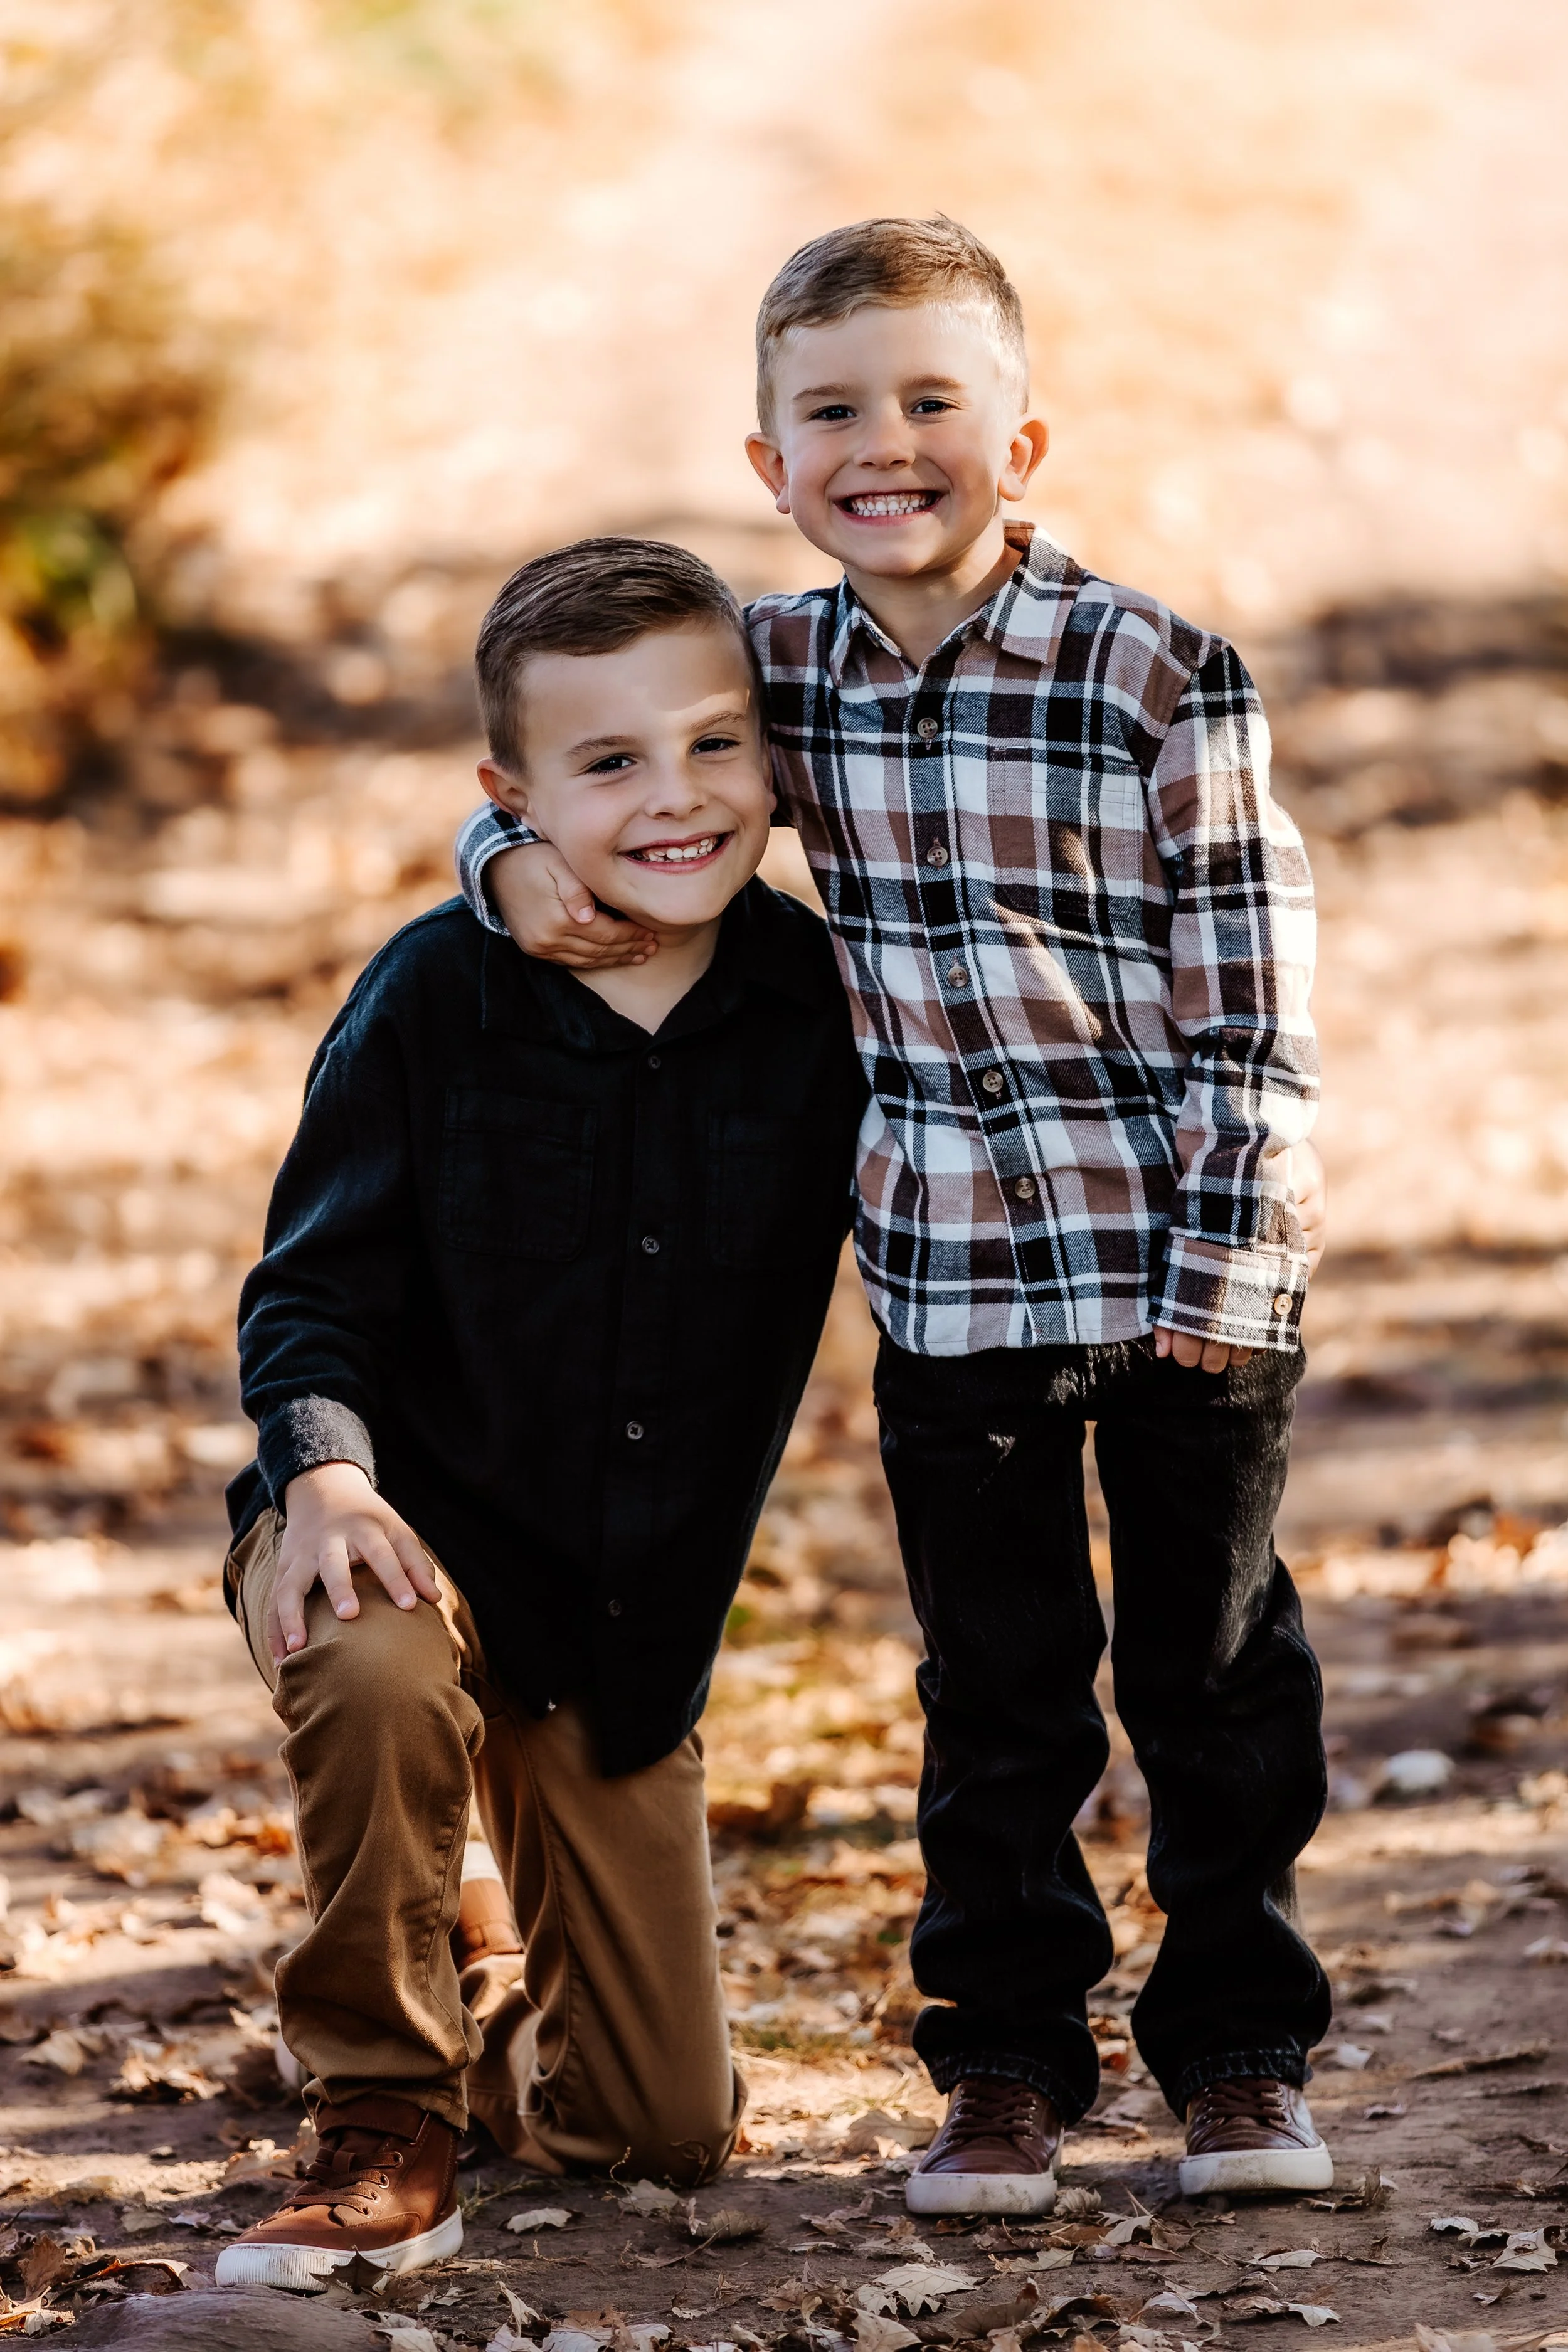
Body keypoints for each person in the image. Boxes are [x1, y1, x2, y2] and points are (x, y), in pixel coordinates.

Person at [456, 216, 1335, 2214]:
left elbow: (1256, 1004)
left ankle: (1238, 2054)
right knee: (996, 1685)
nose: (886, 444)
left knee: (1209, 1671)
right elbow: (580, 755)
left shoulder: (1155, 671)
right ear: (768, 467)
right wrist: (503, 860)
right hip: (948, 1278)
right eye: (832, 412)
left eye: (934, 401)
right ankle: (1008, 2067)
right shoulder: (766, 671)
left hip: (1181, 1264)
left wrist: (1234, 1264)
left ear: (1020, 442)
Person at [215, 539, 867, 2290]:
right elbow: (306, 1291)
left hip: (620, 1606)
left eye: (714, 745)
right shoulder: (438, 989)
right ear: (507, 793)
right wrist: (329, 1481)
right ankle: (381, 2102)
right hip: (399, 1520)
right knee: (373, 1655)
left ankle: (489, 2009)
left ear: (778, 760)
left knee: (654, 2129)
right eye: (606, 765)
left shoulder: (820, 999)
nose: (675, 795)